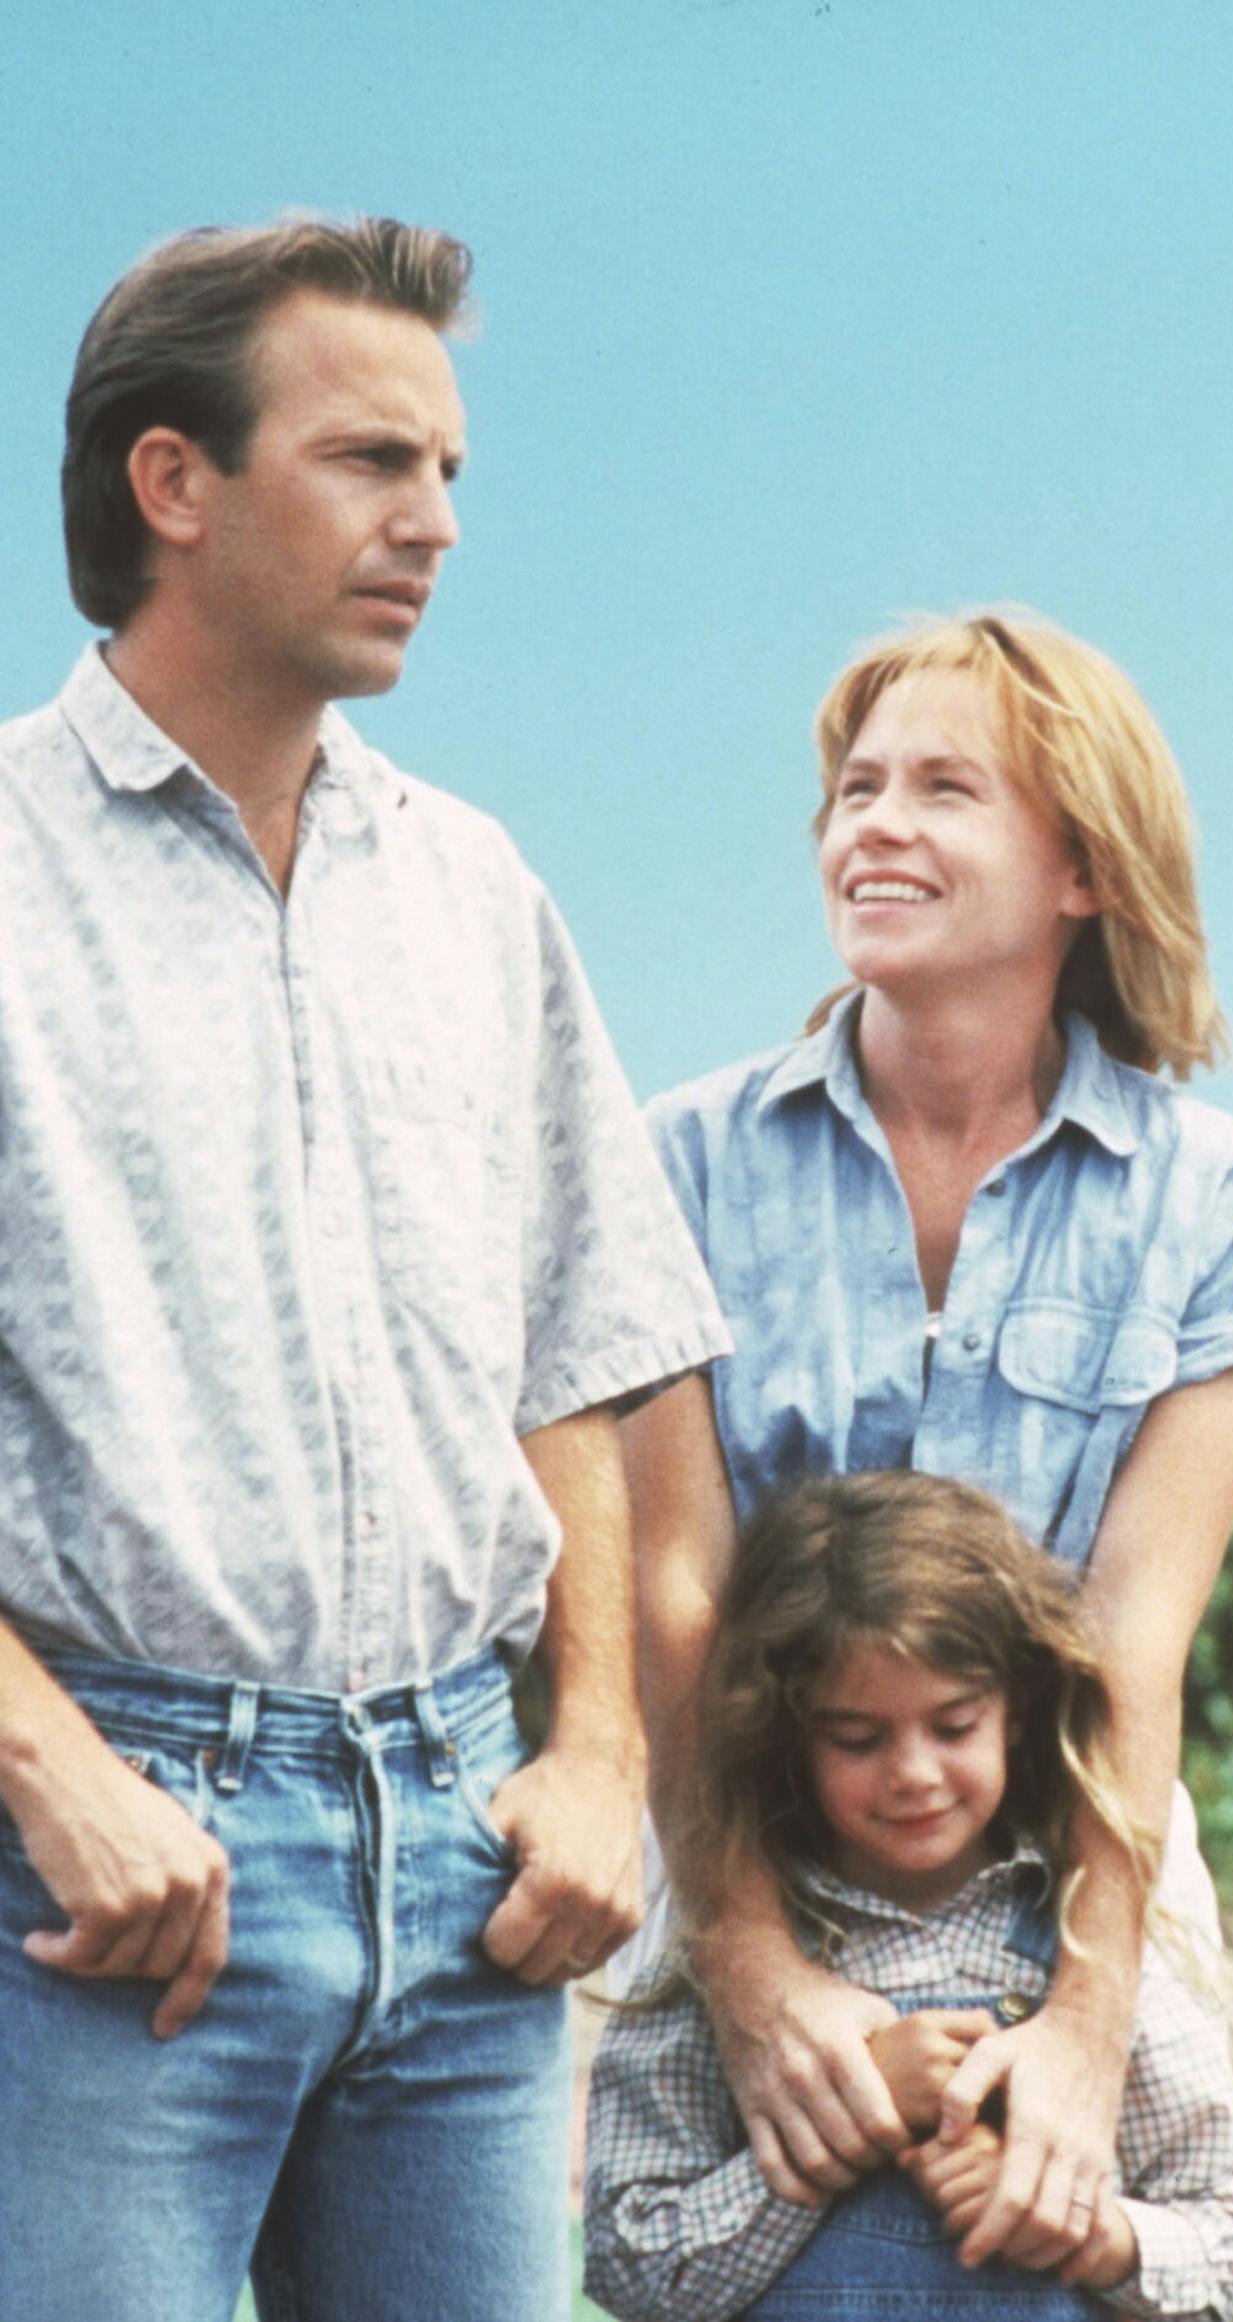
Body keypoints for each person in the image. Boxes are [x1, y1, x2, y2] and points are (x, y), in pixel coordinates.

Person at [0, 220, 731, 2322]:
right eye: (371, 461)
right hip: (106, 1886)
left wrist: (595, 1753)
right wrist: (57, 1776)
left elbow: (572, 1352)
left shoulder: (475, 889)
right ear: (173, 480)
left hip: (468, 1873)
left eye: (449, 471)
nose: (434, 523)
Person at [622, 609, 1233, 2271]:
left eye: (945, 788)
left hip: (1073, 1876)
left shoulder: (1216, 1199)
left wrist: (1088, 2019)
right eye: (857, 789)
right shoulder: (682, 1163)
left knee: (1077, 2264)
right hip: (754, 1857)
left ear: (1084, 864)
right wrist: (752, 1968)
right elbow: (677, 1598)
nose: (874, 824)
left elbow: (1133, 1640)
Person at [584, 1469, 1233, 2319]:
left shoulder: (1094, 1949)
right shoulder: (727, 1970)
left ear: (1015, 1711)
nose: (913, 1773)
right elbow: (630, 2262)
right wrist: (847, 2117)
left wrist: (1083, 2229)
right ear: (788, 1735)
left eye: (953, 1726)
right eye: (857, 1738)